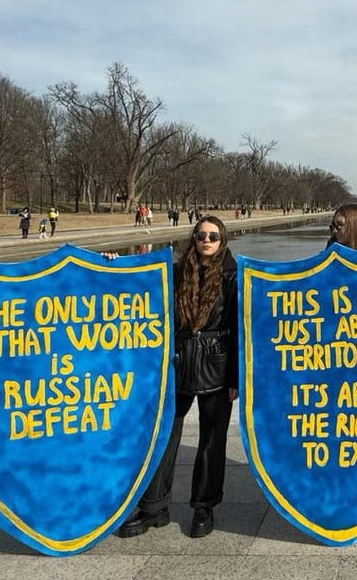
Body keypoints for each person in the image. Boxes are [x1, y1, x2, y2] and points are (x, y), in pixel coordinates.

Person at [117, 215, 239, 539]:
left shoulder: (233, 275)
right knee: (163, 436)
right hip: (179, 362)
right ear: (193, 238)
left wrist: (235, 378)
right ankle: (154, 506)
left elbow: (239, 327)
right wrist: (113, 264)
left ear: (222, 240)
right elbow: (136, 285)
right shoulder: (175, 272)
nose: (206, 240)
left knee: (212, 440)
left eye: (213, 236)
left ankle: (204, 506)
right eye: (201, 235)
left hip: (216, 362)